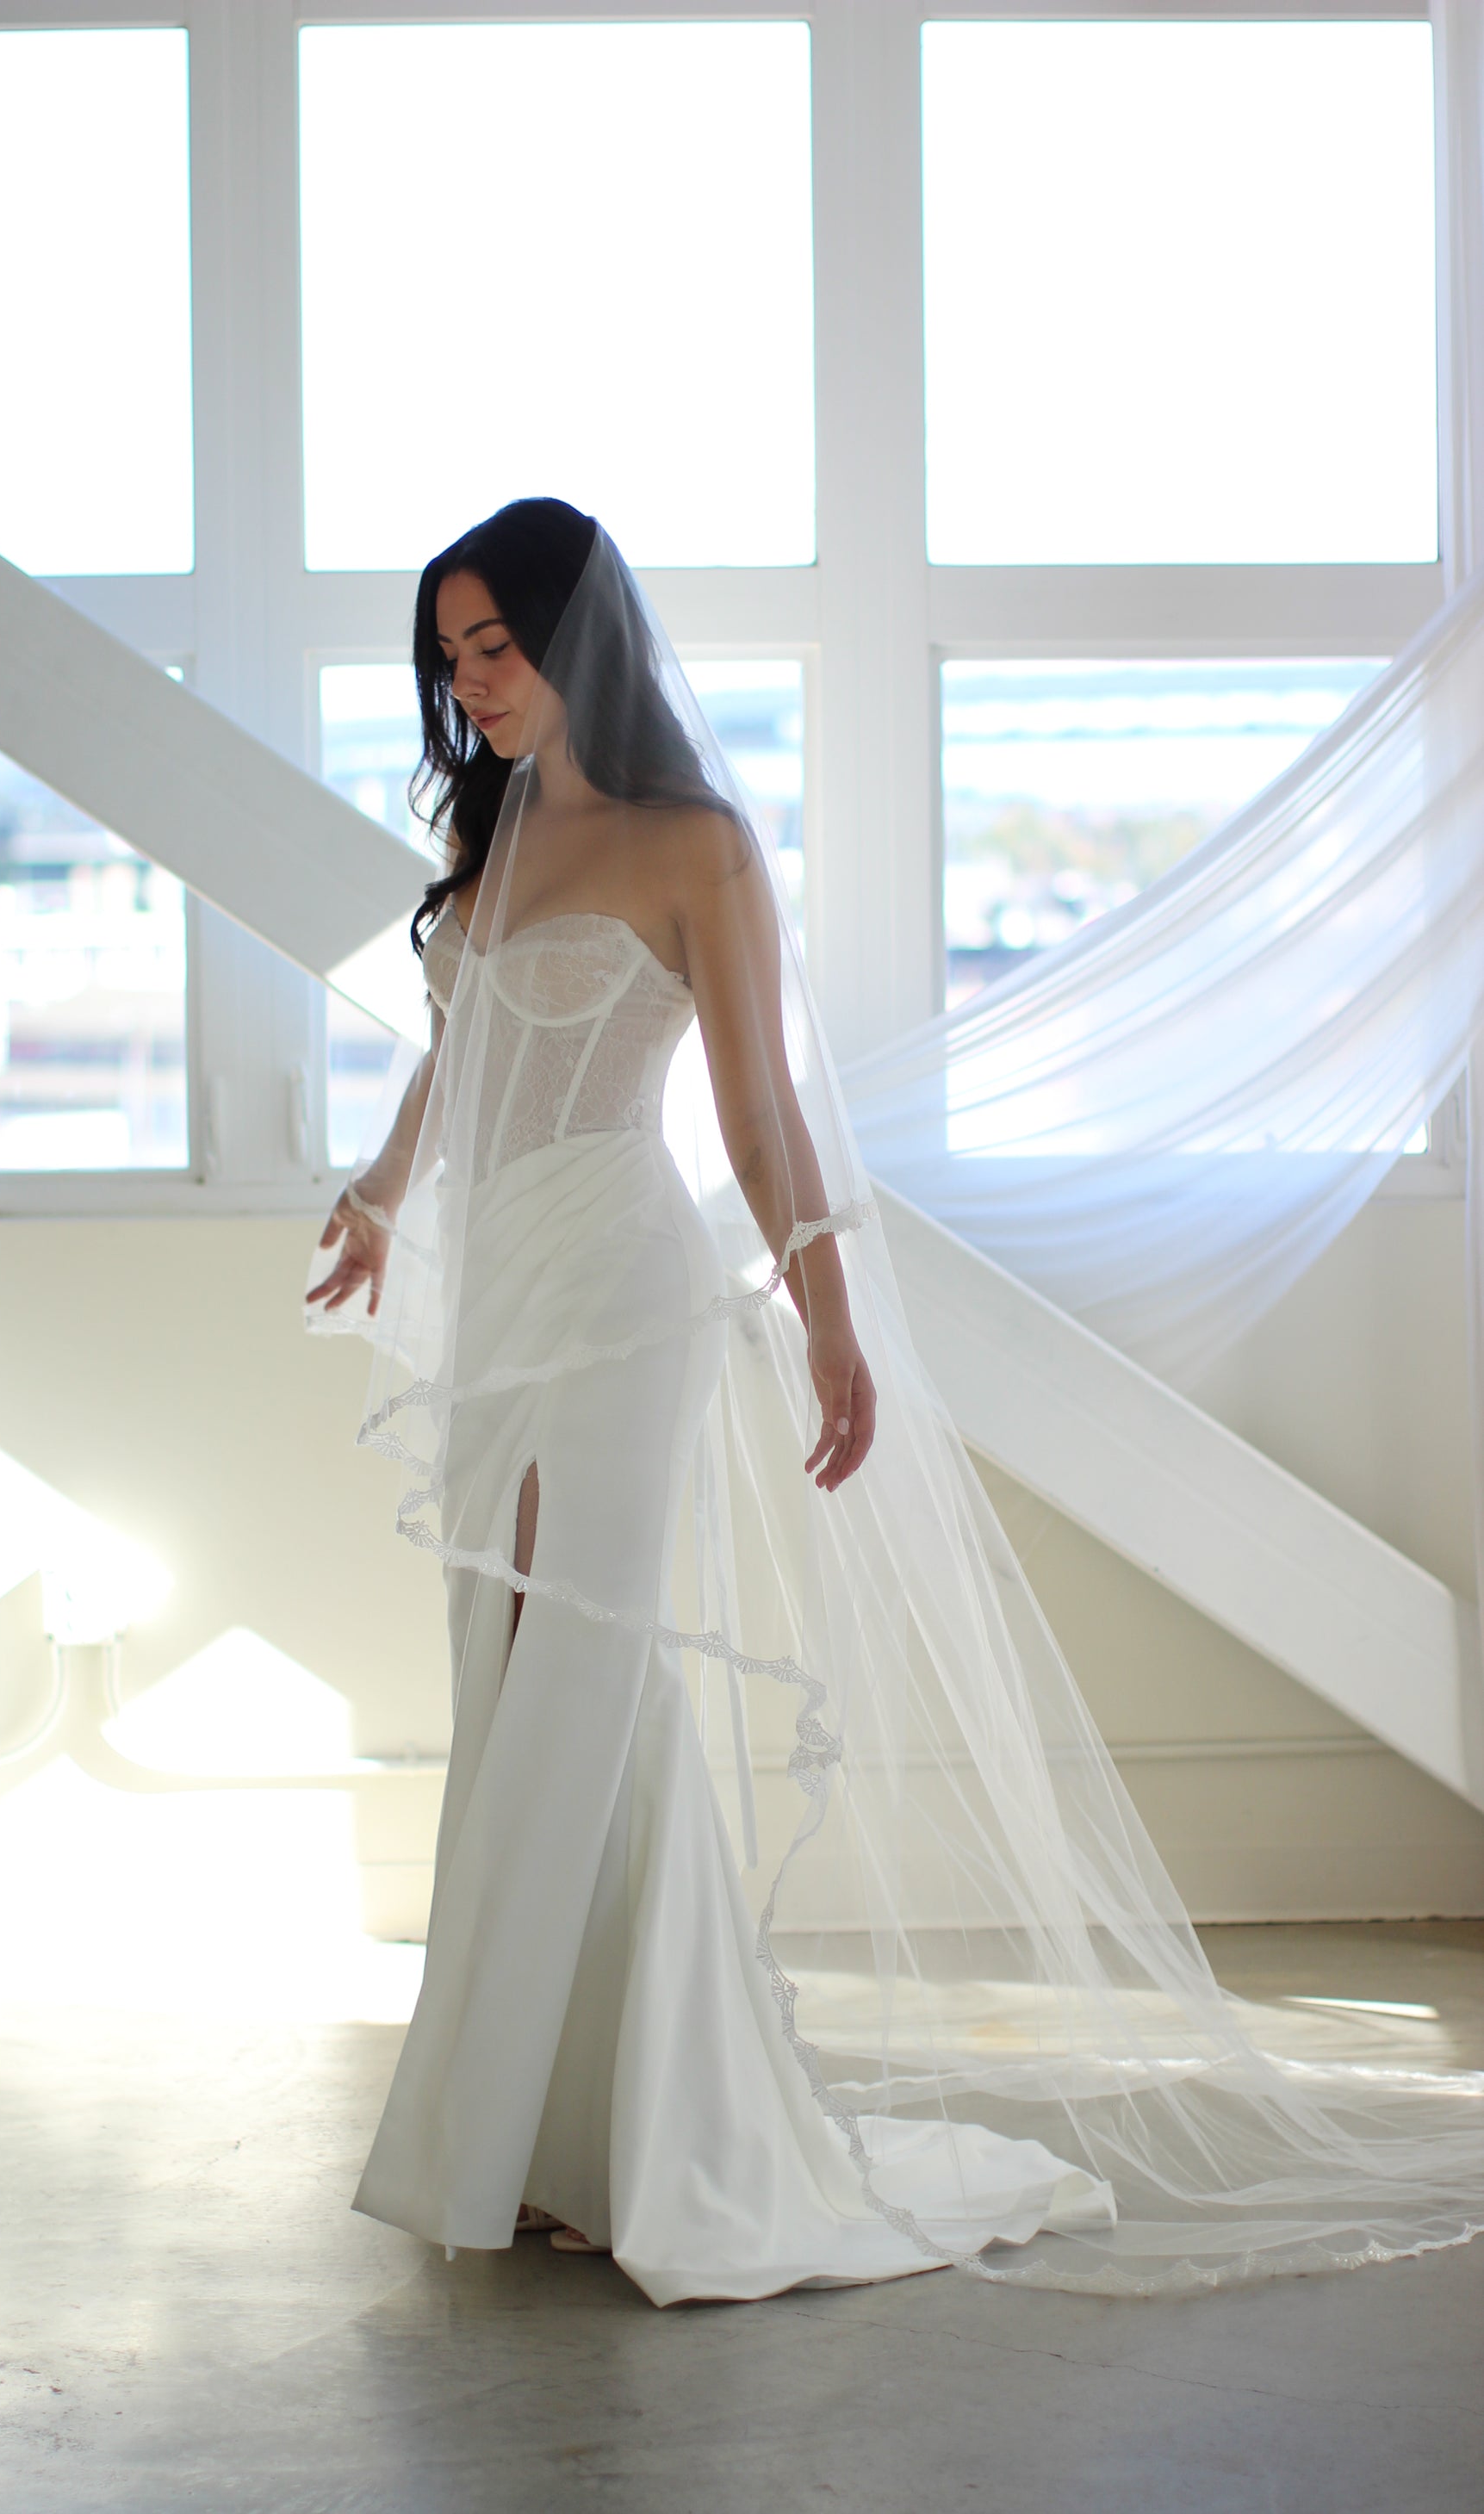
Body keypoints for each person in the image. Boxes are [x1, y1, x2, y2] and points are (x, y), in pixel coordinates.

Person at [307, 500, 1483, 2307]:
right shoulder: (490, 836)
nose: (472, 685)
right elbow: (458, 1049)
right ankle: (589, 2131)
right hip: (501, 1297)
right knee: (527, 1678)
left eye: (497, 645)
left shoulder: (693, 841)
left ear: (575, 637)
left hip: (617, 1287)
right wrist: (387, 1192)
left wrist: (829, 1316)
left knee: (575, 1674)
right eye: (449, 657)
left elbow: (760, 1105)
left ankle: (591, 2138)